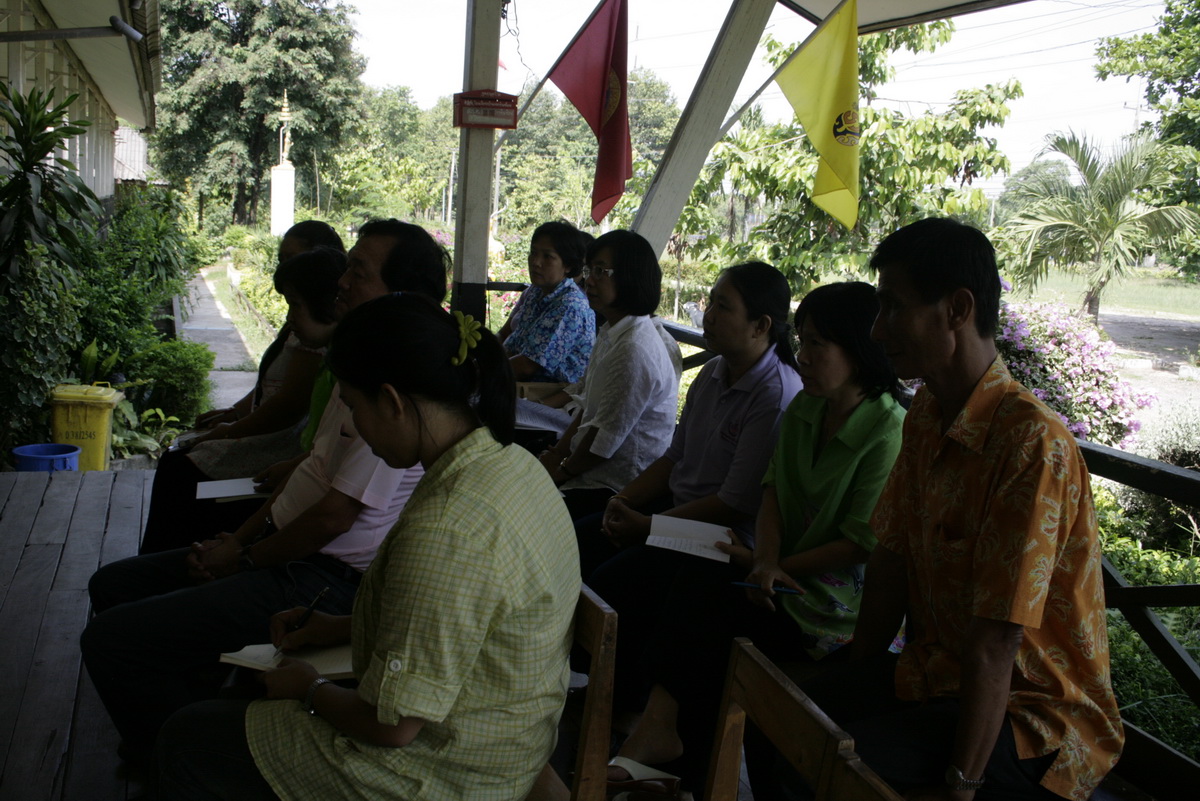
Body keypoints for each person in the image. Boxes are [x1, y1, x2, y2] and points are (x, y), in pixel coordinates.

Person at [154, 293, 581, 801]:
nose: (354, 427)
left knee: (187, 739)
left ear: (393, 402)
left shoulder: (447, 529)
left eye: (354, 408)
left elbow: (392, 727)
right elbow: (466, 623)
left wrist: (310, 689)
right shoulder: (511, 463)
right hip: (510, 739)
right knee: (214, 721)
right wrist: (339, 626)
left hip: (448, 771)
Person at [80, 221, 451, 764]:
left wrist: (244, 559)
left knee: (112, 639)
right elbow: (310, 472)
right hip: (283, 552)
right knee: (113, 585)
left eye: (358, 271)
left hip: (321, 578)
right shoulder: (360, 364)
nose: (342, 281)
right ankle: (185, 729)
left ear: (402, 292)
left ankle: (184, 758)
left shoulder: (397, 390)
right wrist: (240, 542)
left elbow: (333, 516)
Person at [782, 218, 1123, 801]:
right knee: (782, 720)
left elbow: (998, 640)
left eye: (893, 306)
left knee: (814, 766)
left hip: (1034, 715)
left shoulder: (1030, 442)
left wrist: (962, 786)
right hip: (938, 678)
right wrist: (856, 682)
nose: (878, 328)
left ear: (958, 309)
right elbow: (889, 560)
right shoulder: (926, 413)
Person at [603, 281, 907, 798]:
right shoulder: (806, 408)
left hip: (829, 610)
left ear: (858, 351)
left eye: (817, 345)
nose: (802, 357)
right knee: (697, 582)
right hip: (774, 578)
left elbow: (859, 544)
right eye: (802, 341)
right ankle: (668, 745)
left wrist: (772, 566)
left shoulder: (887, 430)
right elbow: (772, 495)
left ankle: (673, 752)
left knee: (711, 615)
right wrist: (765, 560)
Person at [580, 261, 802, 578]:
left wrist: (649, 526)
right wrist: (622, 499)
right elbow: (674, 457)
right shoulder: (713, 370)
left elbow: (732, 505)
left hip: (723, 536)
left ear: (760, 326)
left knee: (607, 579)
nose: (708, 315)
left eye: (723, 307)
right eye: (711, 302)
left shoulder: (775, 396)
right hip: (676, 507)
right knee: (579, 537)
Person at [139, 221, 346, 553]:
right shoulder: (310, 335)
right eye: (282, 258)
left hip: (282, 445)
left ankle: (168, 563)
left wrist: (228, 432)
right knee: (180, 460)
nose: (285, 266)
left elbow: (289, 408)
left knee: (180, 470)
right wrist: (233, 414)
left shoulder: (327, 356)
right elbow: (269, 389)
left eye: (295, 259)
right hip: (294, 458)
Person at [537, 229, 682, 521]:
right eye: (590, 270)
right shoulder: (613, 330)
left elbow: (602, 443)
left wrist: (559, 471)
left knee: (533, 512)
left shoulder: (634, 348)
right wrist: (557, 454)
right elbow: (590, 408)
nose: (589, 280)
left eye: (601, 271)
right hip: (586, 466)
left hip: (617, 486)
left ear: (630, 277)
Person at [497, 221, 596, 383]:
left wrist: (481, 372)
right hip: (519, 384)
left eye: (547, 256)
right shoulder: (536, 291)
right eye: (533, 253)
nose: (536, 262)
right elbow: (512, 343)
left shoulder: (570, 305)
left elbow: (527, 366)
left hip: (550, 392)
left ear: (568, 265)